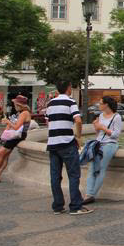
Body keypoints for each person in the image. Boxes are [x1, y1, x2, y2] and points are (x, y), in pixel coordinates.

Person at [46, 80, 92, 215]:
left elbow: (48, 121)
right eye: (71, 87)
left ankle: (58, 206)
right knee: (73, 175)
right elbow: (78, 120)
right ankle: (75, 206)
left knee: (55, 176)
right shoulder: (70, 102)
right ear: (68, 88)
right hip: (67, 143)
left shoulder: (50, 103)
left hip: (53, 144)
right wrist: (78, 136)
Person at [82, 96, 123, 205]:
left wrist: (102, 128)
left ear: (107, 105)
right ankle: (88, 195)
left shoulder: (116, 117)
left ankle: (92, 195)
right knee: (91, 169)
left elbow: (116, 135)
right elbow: (98, 134)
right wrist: (96, 126)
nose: (99, 105)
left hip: (110, 144)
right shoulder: (100, 115)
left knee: (100, 169)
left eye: (101, 103)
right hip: (98, 144)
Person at [0, 95, 31, 184]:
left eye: (15, 104)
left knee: (0, 153)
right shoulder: (20, 113)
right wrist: (7, 126)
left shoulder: (24, 113)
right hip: (16, 136)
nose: (14, 105)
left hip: (17, 136)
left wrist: (8, 122)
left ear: (19, 104)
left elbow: (16, 127)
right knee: (4, 156)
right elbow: (14, 124)